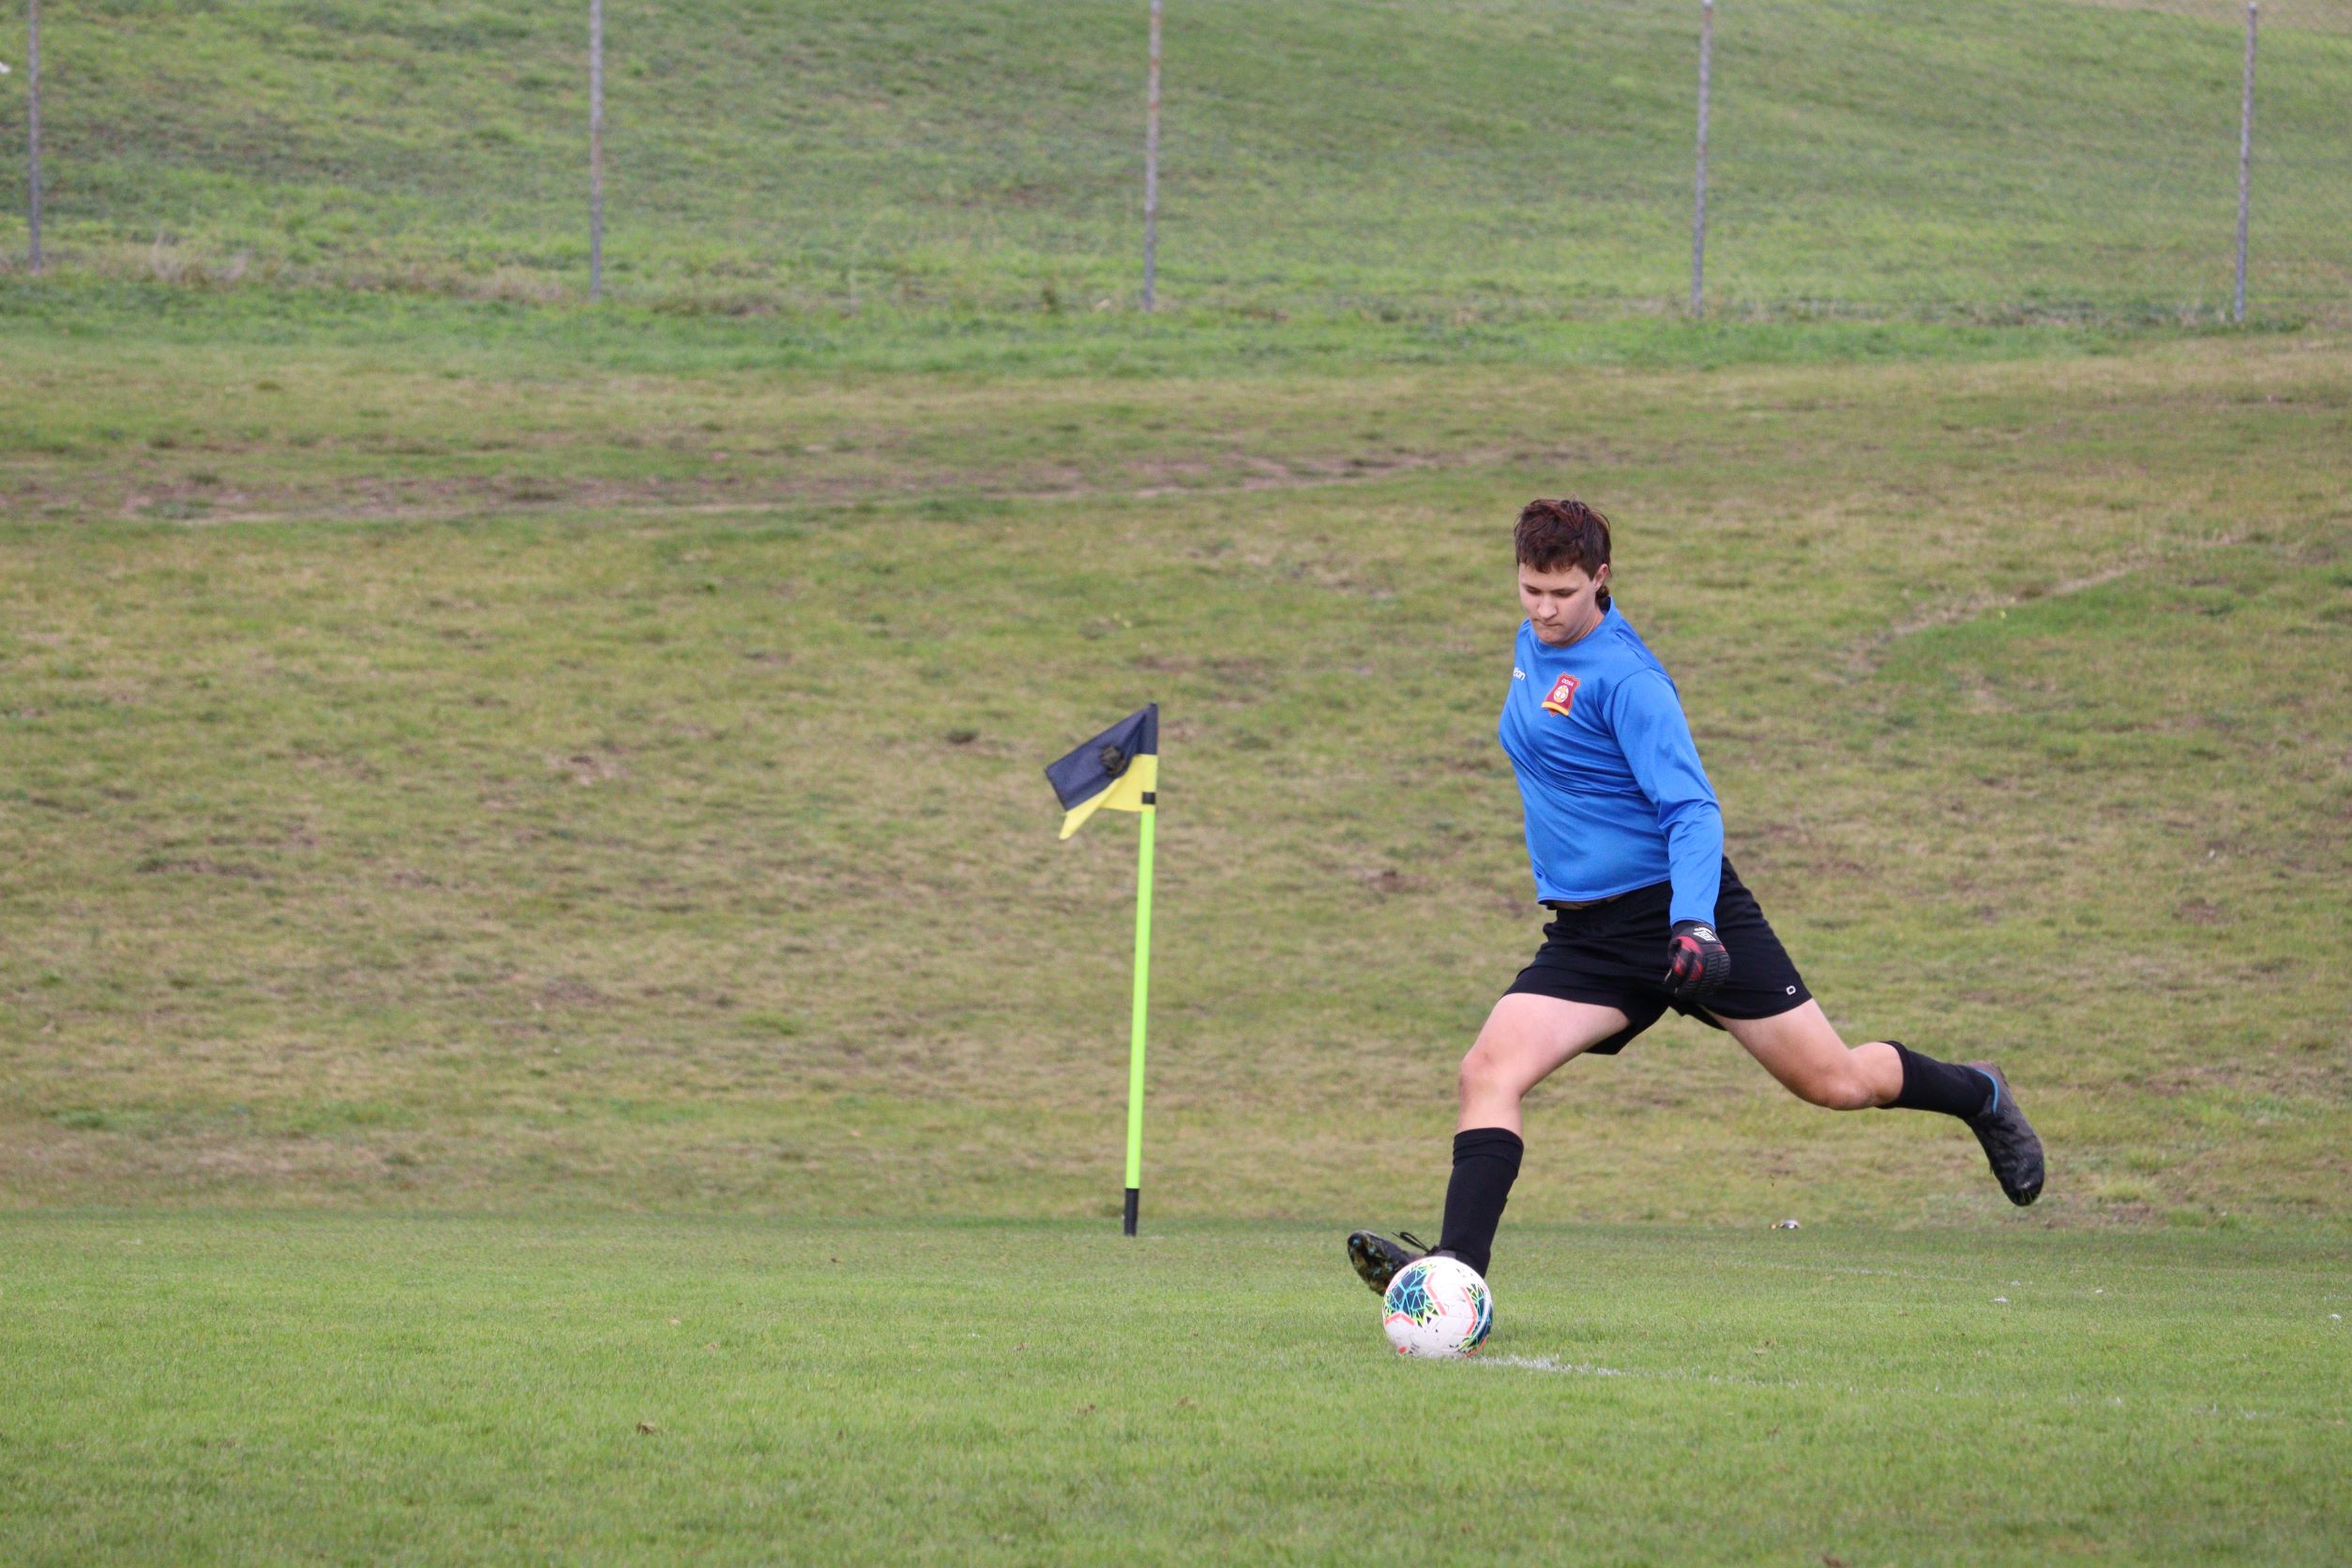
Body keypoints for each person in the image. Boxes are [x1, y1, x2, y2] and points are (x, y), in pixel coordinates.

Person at [1347, 498, 2044, 1297]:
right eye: (1531, 589)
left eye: (1562, 594)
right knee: (1487, 1072)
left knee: (1835, 1083)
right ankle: (1456, 1280)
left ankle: (1978, 1091)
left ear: (1602, 580)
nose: (1543, 609)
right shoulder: (1531, 645)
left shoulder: (1631, 680)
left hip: (1679, 911)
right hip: (1588, 935)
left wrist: (1695, 923)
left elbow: (1692, 810)